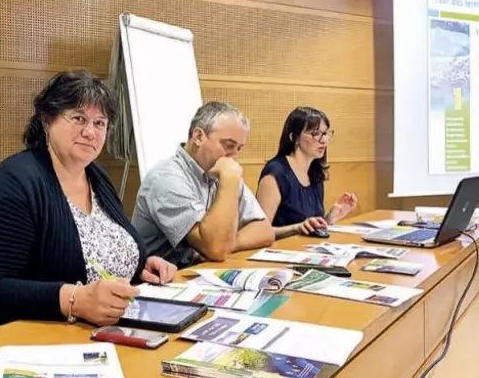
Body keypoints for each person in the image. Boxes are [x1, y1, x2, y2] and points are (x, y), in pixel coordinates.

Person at [0, 71, 177, 327]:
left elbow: (101, 250)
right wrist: (74, 300)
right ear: (47, 120)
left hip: (108, 331)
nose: (90, 132)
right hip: (40, 340)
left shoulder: (96, 175)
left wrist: (138, 264)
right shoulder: (13, 183)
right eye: (79, 118)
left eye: (100, 123)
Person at [132, 102, 275, 267]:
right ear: (199, 137)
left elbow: (264, 230)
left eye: (239, 148)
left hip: (197, 275)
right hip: (159, 282)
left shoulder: (222, 170)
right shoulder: (166, 178)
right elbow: (215, 248)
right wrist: (229, 181)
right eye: (228, 145)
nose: (234, 156)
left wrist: (229, 244)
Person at [256, 106, 357, 239]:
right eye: (315, 133)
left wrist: (329, 218)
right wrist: (295, 228)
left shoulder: (315, 172)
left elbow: (309, 228)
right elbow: (259, 232)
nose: (323, 140)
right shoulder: (276, 173)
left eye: (325, 133)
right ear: (294, 137)